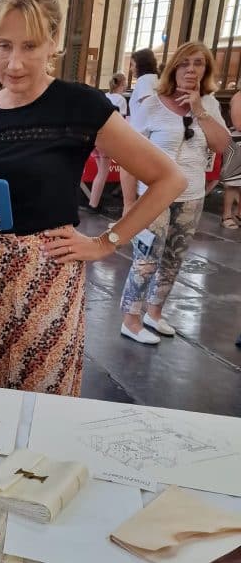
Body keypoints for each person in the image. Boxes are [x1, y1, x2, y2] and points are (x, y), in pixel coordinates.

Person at [0, 0, 184, 396]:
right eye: (4, 45)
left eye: (29, 46)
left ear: (53, 42)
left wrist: (107, 241)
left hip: (48, 280)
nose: (14, 63)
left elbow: (169, 179)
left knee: (41, 403)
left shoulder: (80, 105)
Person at [120, 41, 230, 344]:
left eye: (198, 64)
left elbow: (221, 146)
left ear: (206, 70)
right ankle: (131, 319)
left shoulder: (209, 105)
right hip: (152, 195)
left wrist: (198, 109)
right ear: (174, 67)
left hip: (192, 195)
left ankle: (154, 313)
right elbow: (128, 156)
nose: (191, 69)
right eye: (185, 63)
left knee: (174, 258)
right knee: (146, 259)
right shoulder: (151, 104)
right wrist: (129, 203)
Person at [120, 48, 160, 214]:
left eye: (133, 64)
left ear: (141, 65)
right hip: (150, 135)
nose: (131, 68)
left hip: (140, 135)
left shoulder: (144, 81)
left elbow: (149, 104)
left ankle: (128, 212)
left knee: (128, 170)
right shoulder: (157, 79)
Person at [87, 72, 128, 214]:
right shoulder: (121, 100)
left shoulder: (106, 96)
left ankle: (93, 202)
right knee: (103, 172)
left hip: (95, 137)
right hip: (108, 138)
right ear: (122, 84)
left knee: (100, 172)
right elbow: (119, 121)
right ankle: (94, 204)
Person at [220, 89, 241, 228]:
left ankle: (239, 214)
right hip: (237, 142)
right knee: (233, 182)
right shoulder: (239, 97)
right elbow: (238, 124)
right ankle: (226, 215)